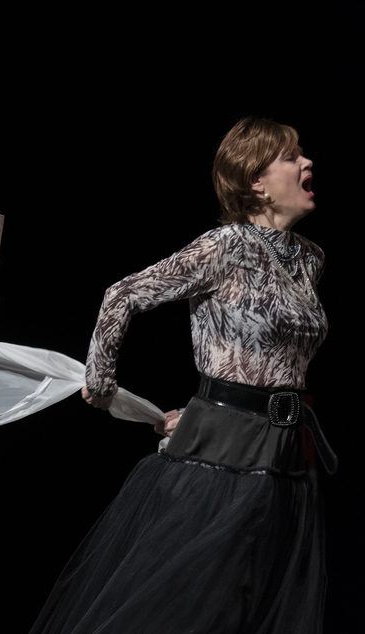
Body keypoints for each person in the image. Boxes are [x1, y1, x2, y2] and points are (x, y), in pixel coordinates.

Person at [30, 116, 330, 633]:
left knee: (253, 607)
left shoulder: (310, 259)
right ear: (256, 181)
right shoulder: (226, 245)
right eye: (291, 156)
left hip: (288, 455)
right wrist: (100, 385)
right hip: (222, 454)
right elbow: (123, 295)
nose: (307, 163)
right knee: (193, 607)